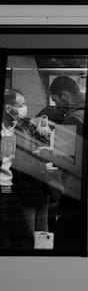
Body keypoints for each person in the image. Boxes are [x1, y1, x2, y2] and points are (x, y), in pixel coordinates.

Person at [45, 76, 86, 251]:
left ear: (65, 95)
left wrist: (47, 154)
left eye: (55, 100)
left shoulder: (71, 120)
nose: (55, 105)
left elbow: (66, 161)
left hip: (74, 193)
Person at [0, 89, 37, 249]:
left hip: (9, 191)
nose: (24, 108)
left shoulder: (13, 129)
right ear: (9, 109)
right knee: (6, 239)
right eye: (20, 105)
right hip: (2, 191)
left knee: (24, 240)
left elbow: (8, 159)